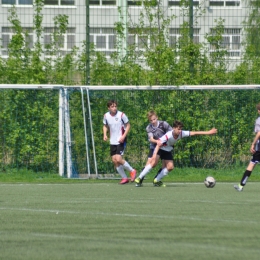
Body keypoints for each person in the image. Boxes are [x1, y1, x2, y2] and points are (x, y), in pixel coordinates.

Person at [136, 120, 217, 187]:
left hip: (167, 150)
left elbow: (194, 133)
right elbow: (158, 144)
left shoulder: (181, 133)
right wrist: (154, 155)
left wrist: (209, 132)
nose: (180, 130)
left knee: (170, 167)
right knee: (153, 163)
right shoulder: (168, 135)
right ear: (173, 128)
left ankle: (156, 180)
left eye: (181, 129)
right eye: (178, 129)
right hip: (160, 148)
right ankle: (139, 178)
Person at [135, 110, 172, 187]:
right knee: (150, 163)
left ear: (157, 117)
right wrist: (158, 142)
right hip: (154, 146)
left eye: (154, 119)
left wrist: (167, 142)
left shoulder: (164, 124)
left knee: (166, 166)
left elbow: (171, 133)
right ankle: (140, 180)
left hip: (165, 147)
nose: (153, 121)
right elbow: (151, 139)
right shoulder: (148, 127)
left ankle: (156, 180)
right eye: (151, 120)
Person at [103, 100, 136, 184]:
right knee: (114, 160)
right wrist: (105, 134)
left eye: (115, 106)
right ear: (109, 108)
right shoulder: (106, 116)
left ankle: (132, 171)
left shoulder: (121, 115)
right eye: (112, 107)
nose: (114, 108)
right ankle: (124, 178)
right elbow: (105, 125)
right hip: (112, 141)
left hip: (121, 139)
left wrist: (123, 136)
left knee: (118, 158)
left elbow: (128, 125)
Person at [234, 103, 260, 191]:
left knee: (251, 164)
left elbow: (259, 133)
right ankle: (241, 185)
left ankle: (241, 186)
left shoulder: (259, 120)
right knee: (252, 163)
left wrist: (253, 143)